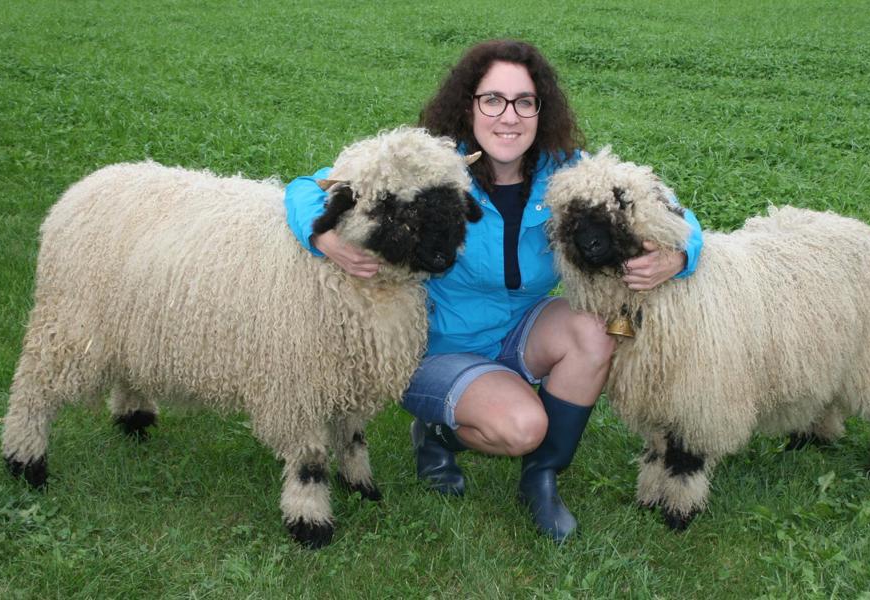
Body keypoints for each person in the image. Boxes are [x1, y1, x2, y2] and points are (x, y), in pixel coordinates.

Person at [284, 39, 703, 542]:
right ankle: (437, 431)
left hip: (522, 325)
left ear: (540, 111)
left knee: (595, 333)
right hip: (435, 345)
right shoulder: (433, 167)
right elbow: (308, 186)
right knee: (522, 426)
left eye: (524, 102)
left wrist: (680, 255)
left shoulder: (564, 171)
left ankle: (542, 476)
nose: (509, 116)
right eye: (493, 100)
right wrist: (321, 232)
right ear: (469, 106)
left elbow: (664, 202)